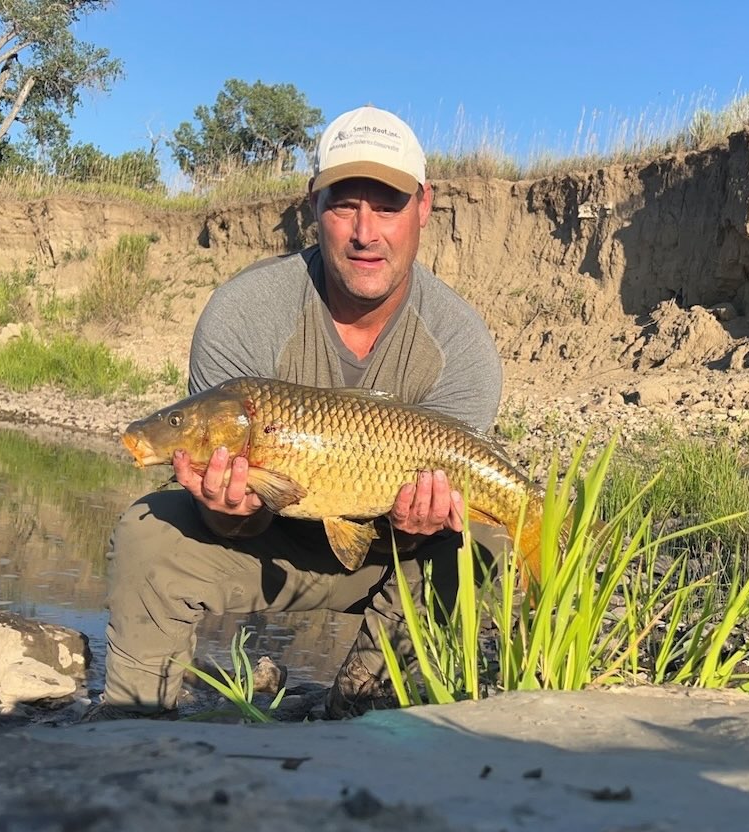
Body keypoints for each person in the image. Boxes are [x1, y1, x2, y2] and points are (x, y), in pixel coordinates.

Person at [98, 105, 504, 719]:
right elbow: (231, 522)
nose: (366, 231)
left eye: (388, 205)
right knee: (149, 531)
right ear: (313, 205)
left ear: (424, 208)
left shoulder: (460, 345)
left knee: (489, 545)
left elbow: (426, 525)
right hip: (267, 543)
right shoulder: (244, 312)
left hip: (394, 554)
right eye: (344, 204)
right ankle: (133, 727)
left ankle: (364, 702)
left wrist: (418, 523)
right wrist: (229, 513)